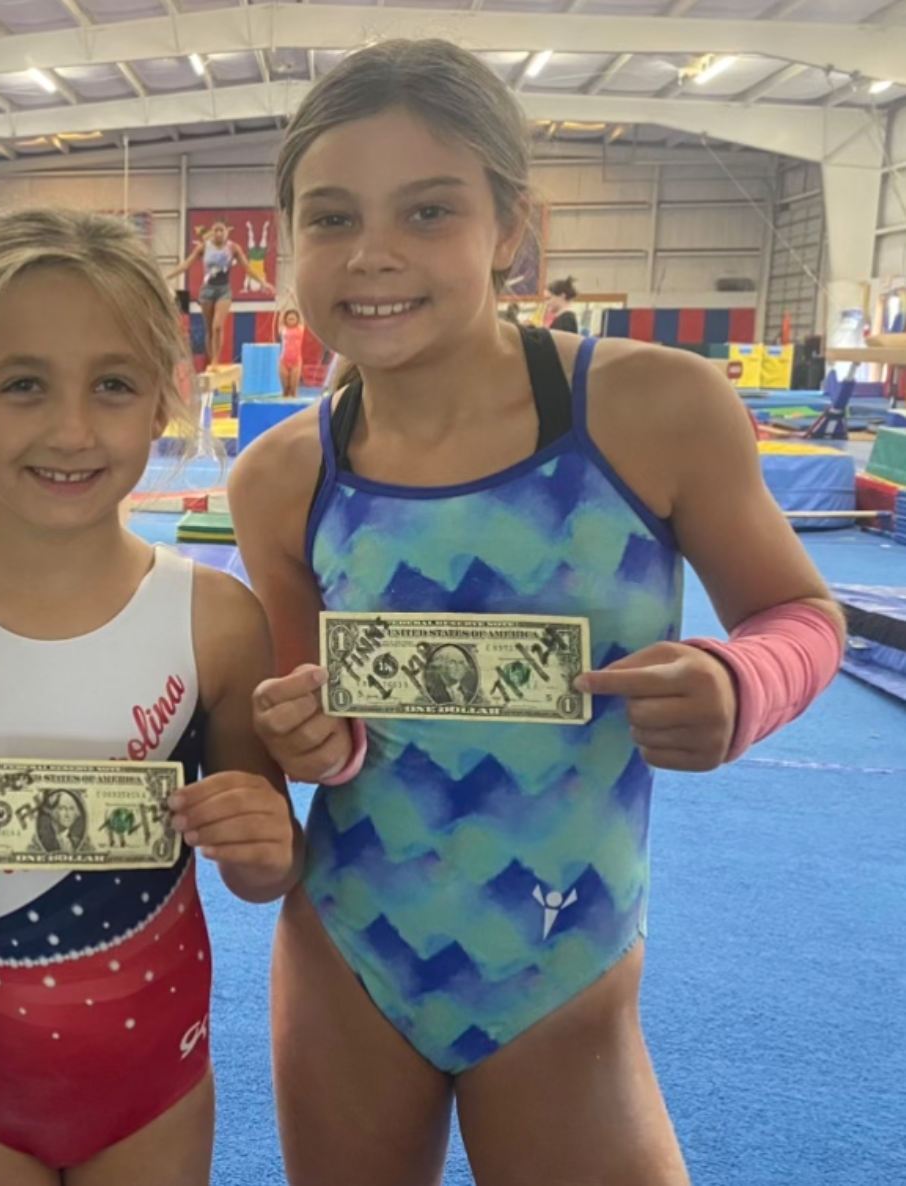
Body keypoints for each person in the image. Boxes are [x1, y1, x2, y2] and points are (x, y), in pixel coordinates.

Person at [227, 39, 844, 1186]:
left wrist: (735, 682)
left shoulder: (650, 409)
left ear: (511, 227)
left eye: (426, 211)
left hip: (561, 957)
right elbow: (315, 720)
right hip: (351, 948)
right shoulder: (281, 479)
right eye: (329, 218)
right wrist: (301, 733)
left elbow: (801, 612)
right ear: (284, 241)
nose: (372, 255)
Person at [0, 208, 301, 1186]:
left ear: (164, 399)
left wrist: (269, 844)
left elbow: (263, 870)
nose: (71, 429)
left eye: (112, 386)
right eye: (25, 385)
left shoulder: (217, 621)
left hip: (153, 1088)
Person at [166, 221, 270, 370]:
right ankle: (211, 361)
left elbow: (247, 267)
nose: (219, 233)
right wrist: (167, 276)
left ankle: (215, 360)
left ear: (226, 232)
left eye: (222, 230)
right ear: (212, 232)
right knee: (209, 328)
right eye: (216, 230)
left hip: (224, 289)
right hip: (207, 290)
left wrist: (262, 282)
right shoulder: (204, 247)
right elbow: (186, 264)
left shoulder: (233, 248)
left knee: (217, 326)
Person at [278, 308, 308, 398]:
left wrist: (296, 297)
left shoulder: (300, 329)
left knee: (293, 390)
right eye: (289, 318)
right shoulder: (283, 329)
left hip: (296, 361)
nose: (291, 320)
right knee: (285, 390)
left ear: (297, 320)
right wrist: (285, 302)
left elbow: (303, 316)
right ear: (286, 320)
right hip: (283, 361)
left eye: (293, 318)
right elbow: (280, 317)